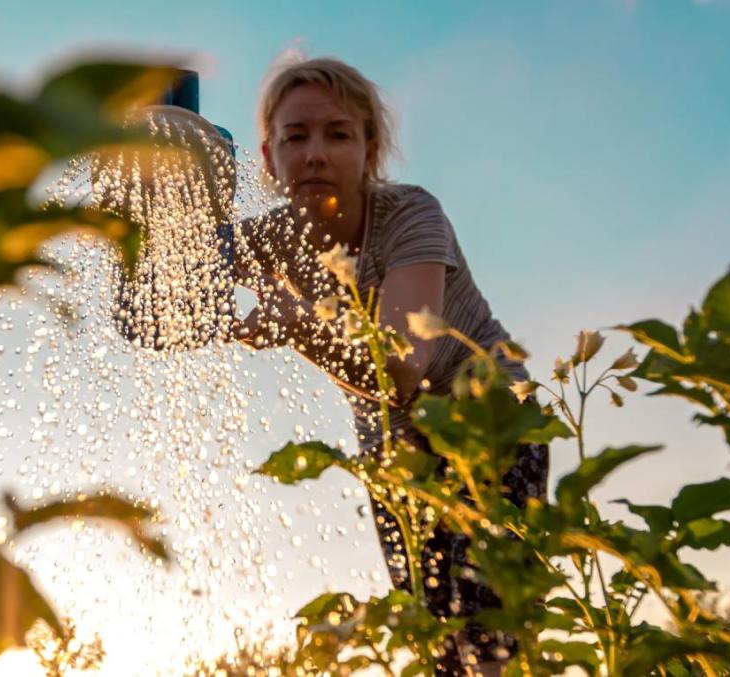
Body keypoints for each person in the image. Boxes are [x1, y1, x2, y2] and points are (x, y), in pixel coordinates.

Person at [232, 57, 549, 676]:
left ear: (370, 149)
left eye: (338, 134)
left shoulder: (409, 215)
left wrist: (298, 328)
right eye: (296, 137)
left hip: (491, 424)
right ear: (269, 156)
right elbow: (155, 305)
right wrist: (154, 199)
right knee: (436, 638)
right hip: (398, 457)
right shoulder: (271, 239)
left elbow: (404, 371)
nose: (315, 154)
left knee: (492, 635)